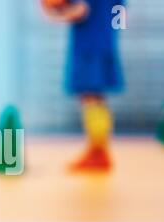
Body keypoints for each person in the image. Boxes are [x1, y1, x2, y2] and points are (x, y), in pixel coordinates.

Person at [43, 0, 126, 172]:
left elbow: (80, 11)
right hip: (106, 42)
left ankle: (97, 151)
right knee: (98, 99)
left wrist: (54, 13)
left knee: (89, 99)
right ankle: (99, 150)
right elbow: (120, 15)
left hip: (87, 45)